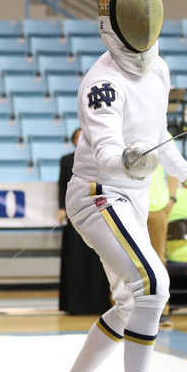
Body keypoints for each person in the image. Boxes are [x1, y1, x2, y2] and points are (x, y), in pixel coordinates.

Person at [42, 0, 187, 372]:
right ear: (111, 27)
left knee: (130, 306)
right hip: (99, 195)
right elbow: (104, 149)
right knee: (154, 286)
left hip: (134, 197)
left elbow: (158, 131)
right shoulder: (100, 82)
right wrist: (127, 159)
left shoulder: (158, 68)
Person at [58, 127, 111, 316]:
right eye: (77, 137)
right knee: (76, 260)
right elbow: (62, 186)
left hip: (99, 210)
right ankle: (75, 304)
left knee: (99, 258)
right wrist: (62, 208)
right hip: (76, 211)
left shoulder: (102, 158)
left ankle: (100, 302)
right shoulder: (66, 160)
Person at [147, 164, 178, 327]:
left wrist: (172, 198)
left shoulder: (163, 136)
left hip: (156, 207)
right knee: (123, 258)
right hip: (126, 204)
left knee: (158, 260)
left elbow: (173, 168)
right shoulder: (118, 136)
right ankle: (123, 308)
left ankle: (162, 310)